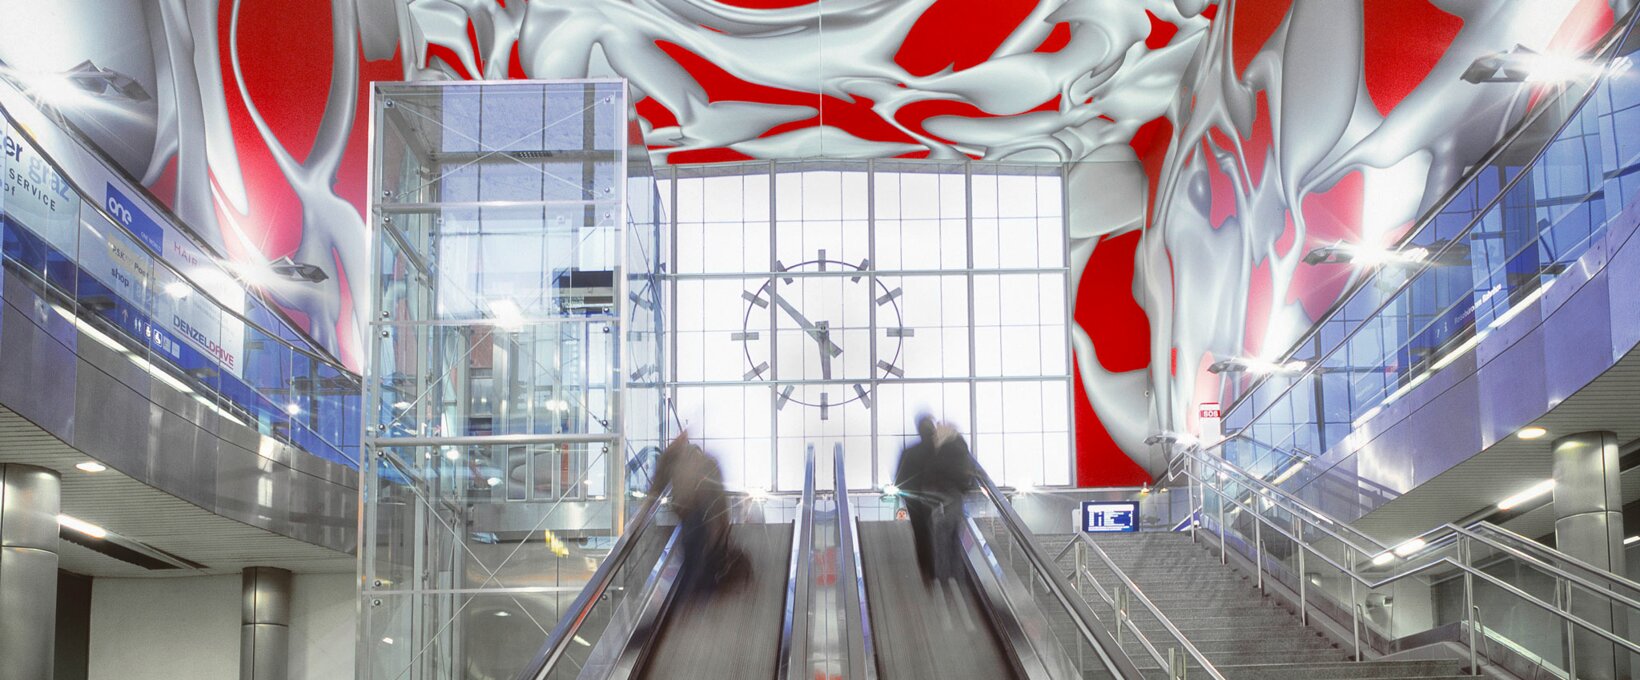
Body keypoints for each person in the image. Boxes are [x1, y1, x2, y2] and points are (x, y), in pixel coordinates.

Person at [648, 433, 742, 590]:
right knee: (698, 547)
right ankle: (700, 584)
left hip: (693, 514)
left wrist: (650, 502)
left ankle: (695, 586)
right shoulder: (707, 463)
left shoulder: (675, 460)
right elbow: (720, 500)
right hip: (701, 515)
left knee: (693, 546)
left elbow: (658, 483)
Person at [894, 415, 976, 580]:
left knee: (929, 534)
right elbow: (965, 470)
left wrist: (910, 496)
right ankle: (953, 575)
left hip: (923, 500)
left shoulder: (914, 451)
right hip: (947, 496)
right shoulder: (949, 447)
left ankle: (933, 573)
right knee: (949, 535)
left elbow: (901, 479)